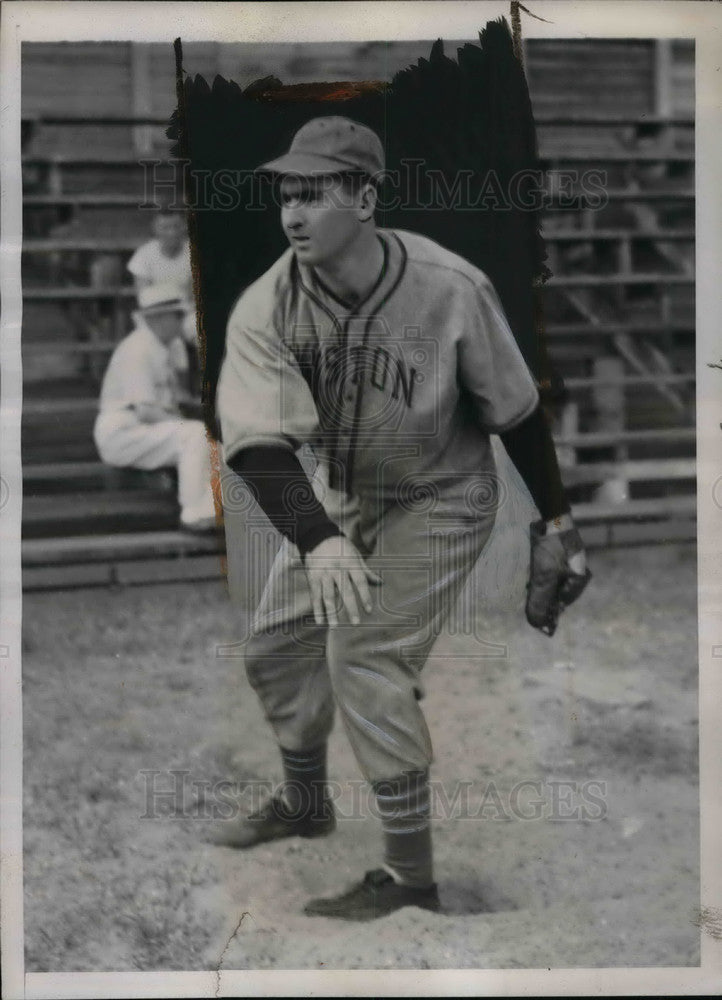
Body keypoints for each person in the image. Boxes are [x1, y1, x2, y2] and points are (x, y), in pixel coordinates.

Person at [213, 117, 589, 919]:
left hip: (443, 495)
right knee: (277, 644)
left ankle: (412, 881)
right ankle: (306, 803)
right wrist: (318, 540)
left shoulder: (450, 286)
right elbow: (254, 444)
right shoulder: (268, 303)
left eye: (313, 194)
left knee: (366, 656)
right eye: (286, 193)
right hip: (346, 495)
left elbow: (516, 411)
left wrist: (556, 523)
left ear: (366, 196)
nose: (293, 212)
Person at [93, 283, 217, 532]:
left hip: (144, 430)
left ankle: (211, 513)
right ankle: (194, 515)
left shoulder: (166, 346)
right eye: (177, 315)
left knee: (210, 437)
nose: (181, 320)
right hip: (122, 432)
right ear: (157, 318)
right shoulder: (137, 349)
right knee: (195, 435)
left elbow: (171, 401)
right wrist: (189, 424)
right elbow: (147, 411)